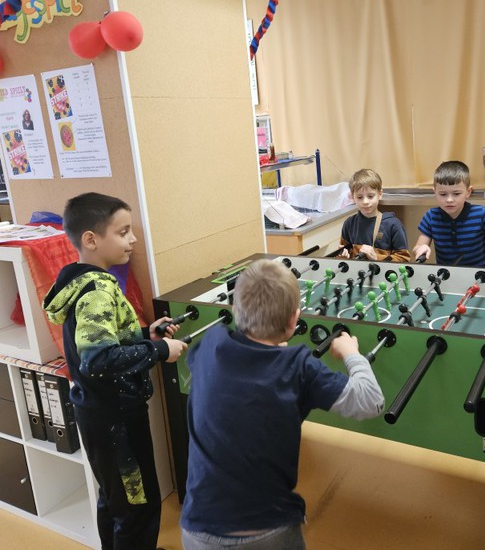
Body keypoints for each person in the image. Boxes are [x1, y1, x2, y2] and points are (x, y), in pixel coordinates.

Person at [180, 259, 385, 549]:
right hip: (267, 532)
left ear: (235, 310)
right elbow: (371, 401)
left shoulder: (209, 346)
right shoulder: (299, 367)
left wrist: (268, 352)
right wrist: (352, 353)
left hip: (197, 528)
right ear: (293, 320)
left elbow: (236, 375)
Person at [43, 192, 188, 550]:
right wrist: (159, 350)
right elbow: (99, 361)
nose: (133, 239)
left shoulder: (81, 282)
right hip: (116, 422)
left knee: (115, 500)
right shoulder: (97, 292)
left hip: (101, 414)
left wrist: (145, 335)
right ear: (91, 239)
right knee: (138, 507)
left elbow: (102, 343)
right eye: (123, 232)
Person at [413, 160, 485, 266]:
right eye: (443, 194)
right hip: (446, 274)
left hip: (477, 273)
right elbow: (417, 248)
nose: (449, 200)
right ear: (435, 192)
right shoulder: (431, 216)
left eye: (456, 194)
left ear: (468, 192)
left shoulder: (480, 213)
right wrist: (421, 248)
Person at [339, 168, 410, 262]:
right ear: (352, 197)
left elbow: (404, 259)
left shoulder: (393, 225)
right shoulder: (349, 224)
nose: (365, 202)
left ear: (380, 194)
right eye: (359, 197)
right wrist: (343, 257)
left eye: (370, 196)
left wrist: (377, 258)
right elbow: (344, 252)